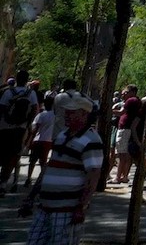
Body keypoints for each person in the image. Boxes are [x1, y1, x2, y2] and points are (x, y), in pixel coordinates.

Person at [17, 92, 102, 244]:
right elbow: (50, 167)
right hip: (45, 205)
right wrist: (31, 196)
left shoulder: (91, 140)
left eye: (72, 112)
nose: (67, 115)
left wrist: (81, 206)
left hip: (66, 209)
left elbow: (93, 175)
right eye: (67, 111)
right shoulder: (62, 135)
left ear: (84, 114)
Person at [0, 69, 40, 195]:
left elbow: (1, 108)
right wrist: (27, 123)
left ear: (16, 79)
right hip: (20, 129)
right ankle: (3, 182)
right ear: (26, 80)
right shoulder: (31, 94)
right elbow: (35, 110)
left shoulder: (8, 92)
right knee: (13, 155)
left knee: (3, 152)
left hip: (4, 127)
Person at [112, 85, 140, 184]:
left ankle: (118, 177)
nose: (123, 95)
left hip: (124, 130)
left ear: (132, 92)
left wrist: (109, 111)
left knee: (122, 154)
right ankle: (124, 176)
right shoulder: (136, 101)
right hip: (126, 129)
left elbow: (121, 112)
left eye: (125, 93)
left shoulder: (131, 100)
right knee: (126, 154)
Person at [25, 95, 55, 186]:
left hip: (38, 140)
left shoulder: (41, 115)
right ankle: (42, 179)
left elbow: (35, 129)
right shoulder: (55, 116)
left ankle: (28, 178)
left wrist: (29, 140)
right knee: (43, 161)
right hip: (48, 141)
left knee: (32, 161)